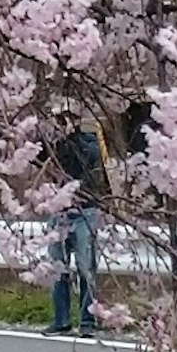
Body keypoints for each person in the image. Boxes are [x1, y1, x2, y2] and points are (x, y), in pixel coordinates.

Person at [46, 122, 109, 336]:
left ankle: (87, 322)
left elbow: (91, 173)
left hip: (86, 211)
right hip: (59, 210)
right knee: (57, 268)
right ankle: (61, 319)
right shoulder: (51, 143)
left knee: (86, 268)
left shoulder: (90, 143)